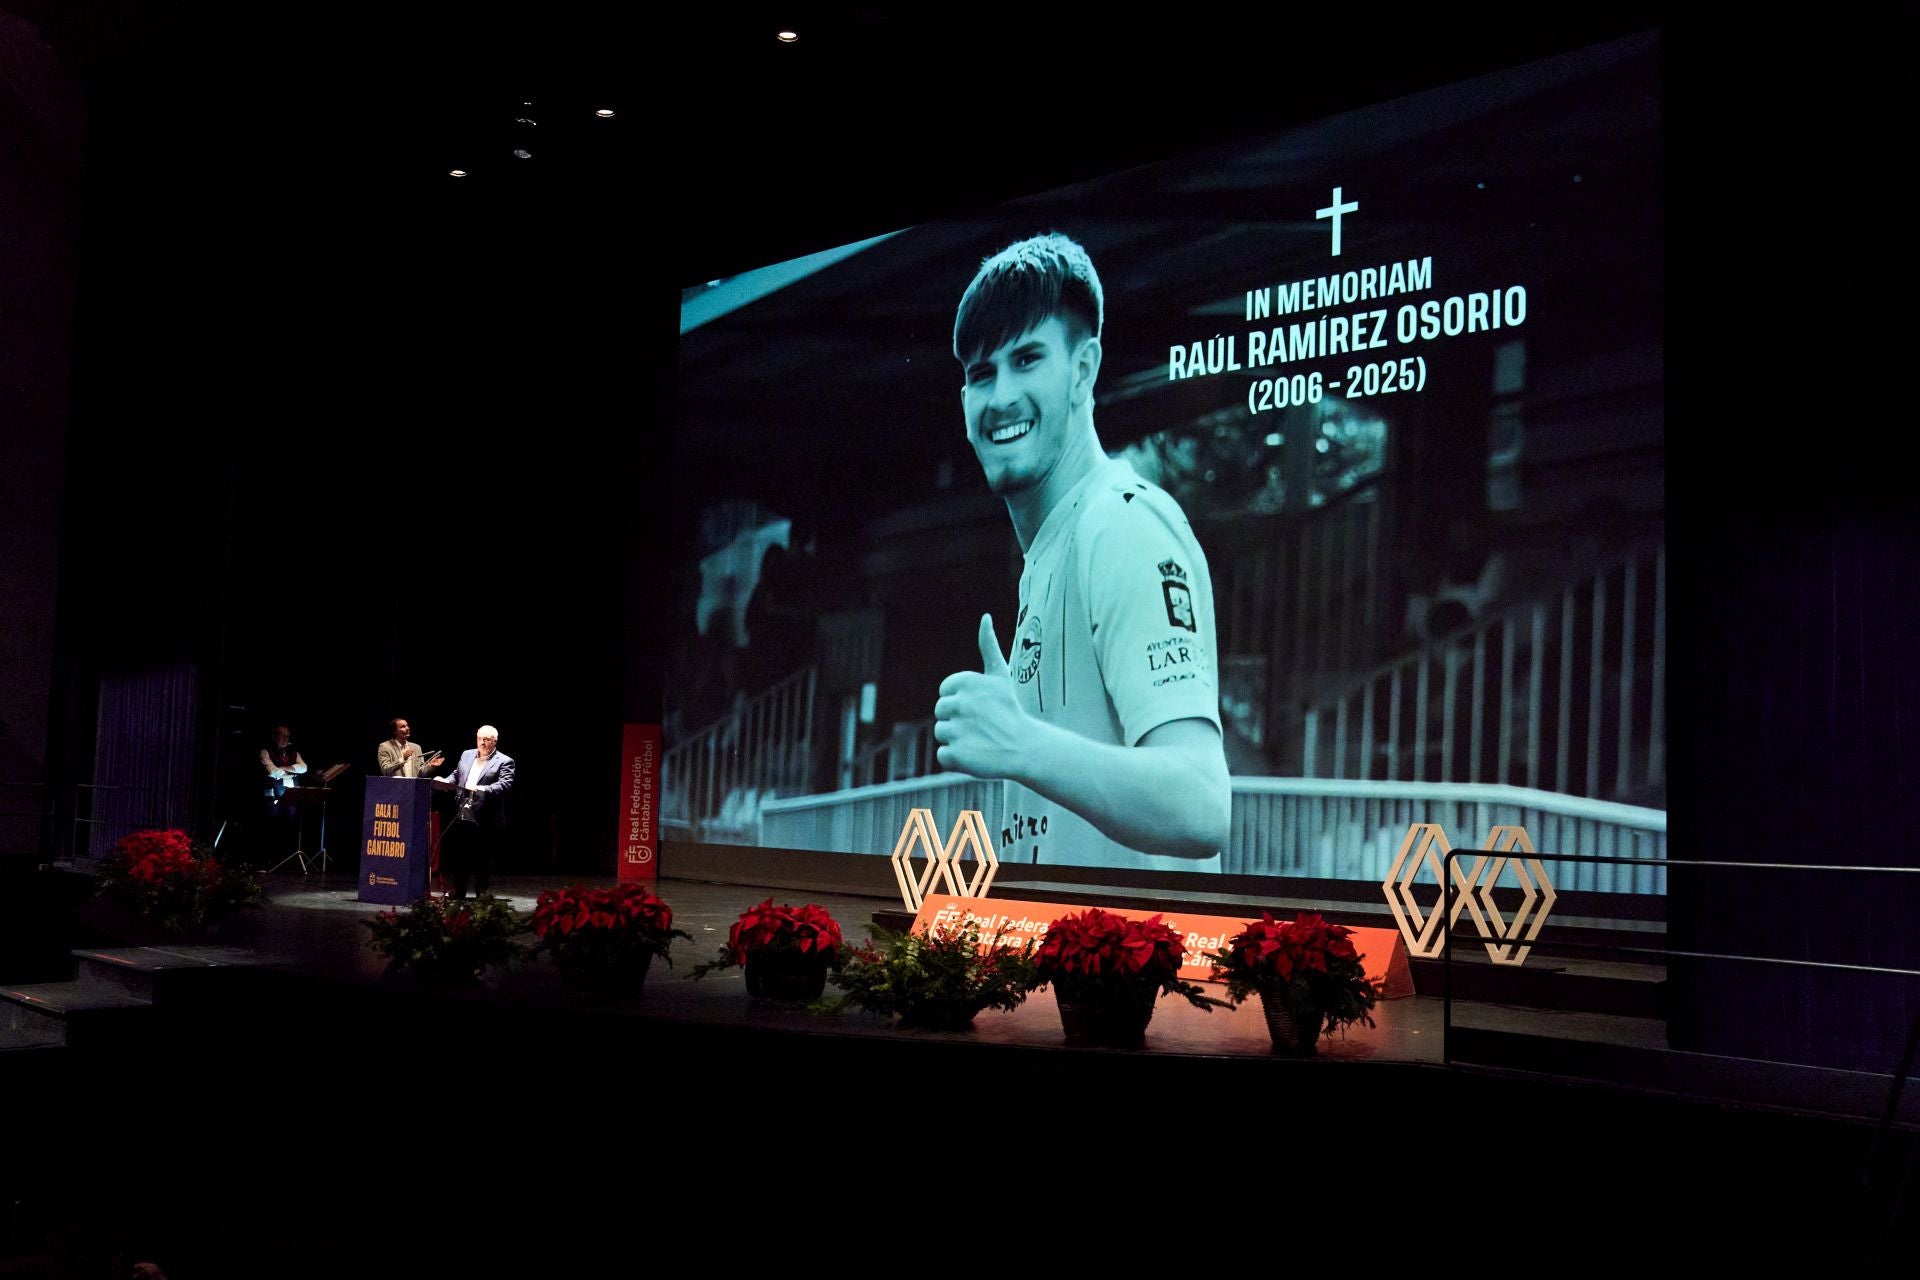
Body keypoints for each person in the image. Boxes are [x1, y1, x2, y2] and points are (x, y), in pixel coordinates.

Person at [932, 233, 1230, 871]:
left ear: (1084, 370)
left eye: (1028, 359)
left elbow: (1201, 805)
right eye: (981, 374)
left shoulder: (1122, 524)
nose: (1001, 395)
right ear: (963, 403)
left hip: (1141, 971)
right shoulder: (1052, 546)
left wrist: (1021, 744)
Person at [436, 724, 514, 899]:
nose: (483, 743)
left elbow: (504, 784)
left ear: (495, 741)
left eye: (487, 739)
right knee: (460, 854)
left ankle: (481, 892)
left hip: (486, 816)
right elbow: (457, 774)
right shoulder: (467, 754)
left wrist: (481, 789)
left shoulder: (505, 761)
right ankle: (459, 891)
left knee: (483, 856)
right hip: (462, 812)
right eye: (480, 739)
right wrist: (445, 781)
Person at [258, 724, 307, 859]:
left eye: (287, 736)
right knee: (273, 823)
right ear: (274, 737)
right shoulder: (265, 751)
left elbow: (303, 768)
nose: (286, 739)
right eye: (282, 735)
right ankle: (270, 857)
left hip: (291, 793)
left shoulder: (293, 751)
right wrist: (291, 769)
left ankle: (287, 857)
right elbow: (273, 771)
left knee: (290, 823)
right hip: (272, 793)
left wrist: (284, 769)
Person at [377, 717, 444, 779]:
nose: (407, 728)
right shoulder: (385, 746)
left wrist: (430, 765)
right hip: (395, 788)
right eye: (403, 727)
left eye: (407, 725)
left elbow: (421, 773)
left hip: (413, 789)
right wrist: (403, 759)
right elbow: (385, 770)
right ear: (395, 731)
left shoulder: (416, 747)